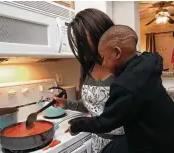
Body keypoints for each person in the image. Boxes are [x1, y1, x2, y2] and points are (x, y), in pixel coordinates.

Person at [67, 25, 174, 153]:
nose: (103, 64)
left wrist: (76, 125)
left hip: (153, 145)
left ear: (117, 53)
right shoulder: (148, 61)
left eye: (104, 58)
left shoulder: (125, 86)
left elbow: (106, 122)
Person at [54, 9, 128, 153]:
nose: (79, 44)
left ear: (101, 33)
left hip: (125, 144)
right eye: (77, 39)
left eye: (81, 38)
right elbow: (92, 106)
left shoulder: (125, 65)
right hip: (97, 143)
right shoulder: (87, 66)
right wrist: (66, 104)